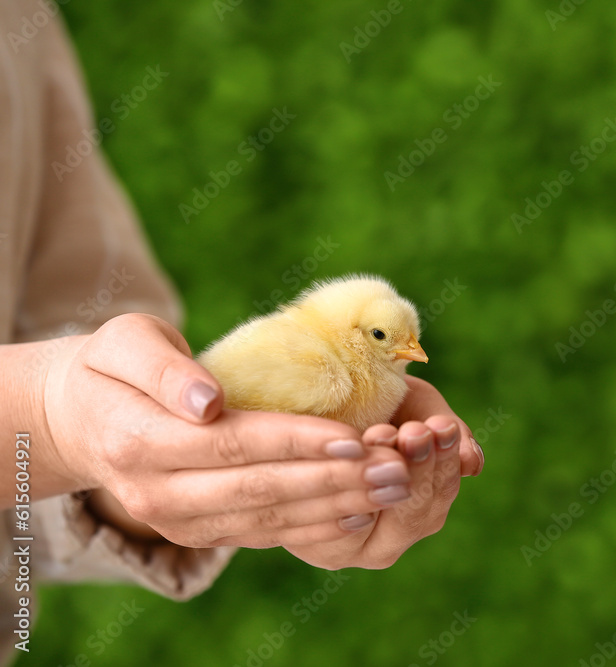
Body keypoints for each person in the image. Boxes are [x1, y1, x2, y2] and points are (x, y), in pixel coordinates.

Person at [0, 2, 484, 662]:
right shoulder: (318, 364)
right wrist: (48, 420)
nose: (404, 353)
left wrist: (146, 469)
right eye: (382, 340)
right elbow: (64, 404)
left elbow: (96, 349)